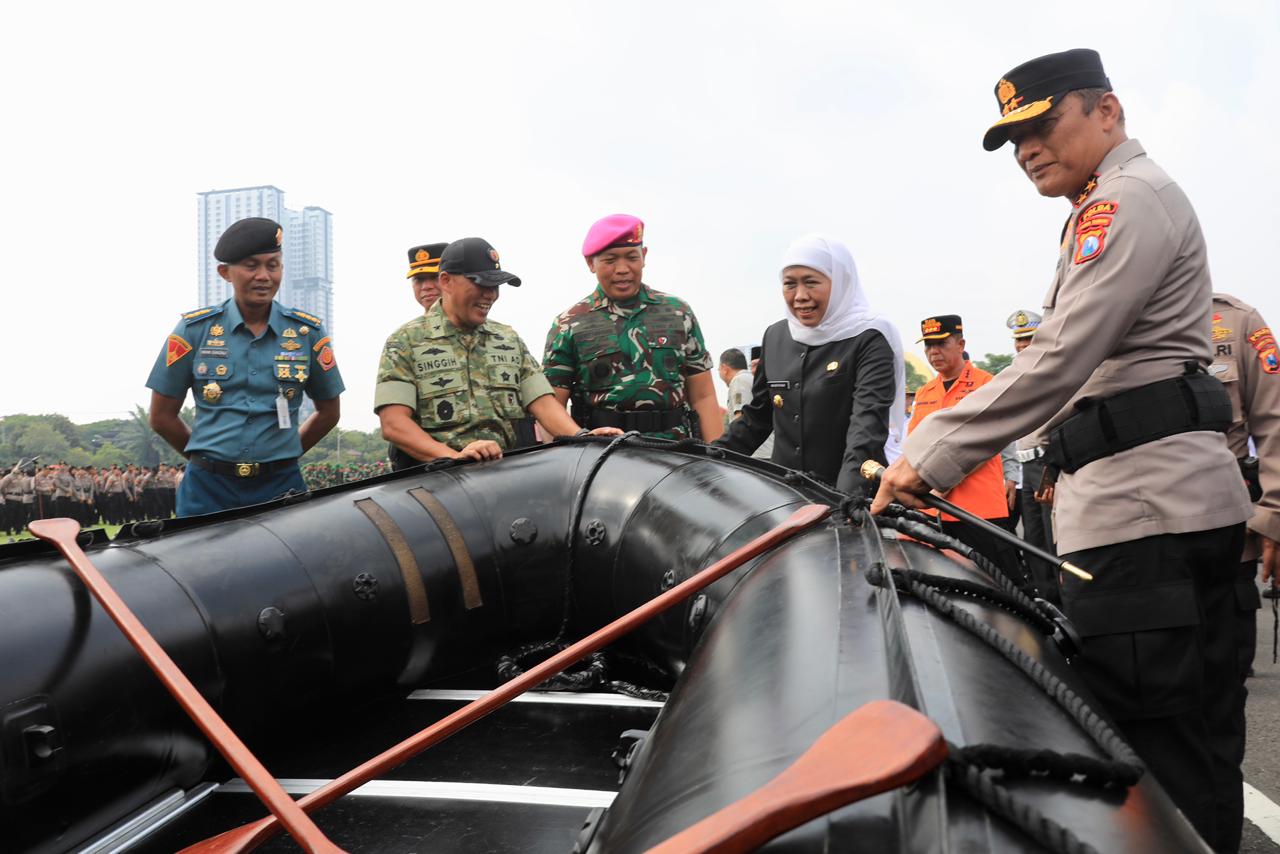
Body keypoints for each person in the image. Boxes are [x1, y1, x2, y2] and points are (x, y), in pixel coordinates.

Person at [870, 49, 1253, 851]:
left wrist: (926, 452)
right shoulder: (1109, 204)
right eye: (1014, 140)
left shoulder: (1125, 202)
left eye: (1043, 126)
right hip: (1167, 510)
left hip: (1143, 519)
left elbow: (1061, 357)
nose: (1027, 151)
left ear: (1106, 112)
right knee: (1200, 749)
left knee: (1155, 753)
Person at [147, 217, 345, 516]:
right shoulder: (194, 331)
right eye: (251, 266)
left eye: (273, 265)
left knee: (287, 564)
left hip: (281, 486)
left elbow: (329, 411)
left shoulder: (307, 333)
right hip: (207, 489)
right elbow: (161, 416)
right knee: (201, 563)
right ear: (225, 272)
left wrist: (284, 453)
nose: (264, 276)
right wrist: (207, 456)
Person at [376, 237, 620, 464]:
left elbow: (543, 403)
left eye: (496, 286)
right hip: (436, 482)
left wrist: (584, 436)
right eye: (481, 284)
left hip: (501, 477)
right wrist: (455, 457)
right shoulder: (406, 341)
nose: (490, 294)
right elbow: (394, 423)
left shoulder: (508, 338)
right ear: (446, 281)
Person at [714, 235, 902, 497]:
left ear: (840, 283)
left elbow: (866, 429)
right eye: (790, 284)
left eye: (811, 283)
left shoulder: (869, 338)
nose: (800, 296)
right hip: (784, 497)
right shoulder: (776, 336)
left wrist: (845, 500)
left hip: (848, 496)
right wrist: (706, 458)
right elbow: (757, 419)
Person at [543, 214, 722, 441]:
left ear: (644, 256)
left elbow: (703, 396)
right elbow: (551, 405)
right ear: (591, 263)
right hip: (603, 452)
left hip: (675, 450)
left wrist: (716, 456)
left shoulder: (678, 313)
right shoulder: (569, 324)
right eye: (610, 260)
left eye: (631, 257)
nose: (622, 269)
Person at [908, 315, 1022, 575]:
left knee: (1002, 589)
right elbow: (915, 447)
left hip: (980, 511)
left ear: (961, 344)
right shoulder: (925, 393)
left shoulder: (986, 384)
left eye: (941, 343)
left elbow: (988, 442)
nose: (933, 351)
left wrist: (941, 483)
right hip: (933, 510)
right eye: (928, 345)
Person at [1008, 309, 1057, 586]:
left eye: (1028, 338)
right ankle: (1044, 600)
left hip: (1046, 464)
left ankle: (1064, 604)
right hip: (1026, 466)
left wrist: (1053, 470)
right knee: (1033, 541)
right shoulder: (1016, 374)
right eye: (1019, 340)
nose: (1022, 345)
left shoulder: (1053, 371)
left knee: (1053, 540)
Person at [406, 242, 448, 313]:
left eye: (435, 277)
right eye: (419, 279)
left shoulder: (471, 320)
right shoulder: (413, 324)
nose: (426, 287)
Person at [718, 348, 753, 430]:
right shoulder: (750, 378)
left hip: (751, 441)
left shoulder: (738, 381)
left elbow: (740, 414)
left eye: (719, 369)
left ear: (724, 369)